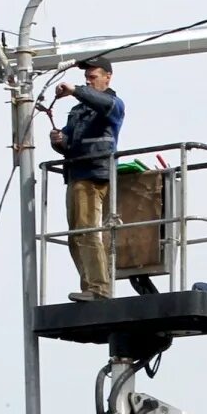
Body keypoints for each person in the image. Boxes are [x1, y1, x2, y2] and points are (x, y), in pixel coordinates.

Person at [48, 58, 125, 302]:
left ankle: (98, 289)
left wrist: (75, 91)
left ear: (108, 78)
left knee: (90, 232)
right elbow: (71, 144)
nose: (88, 82)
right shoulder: (78, 111)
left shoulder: (113, 104)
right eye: (86, 79)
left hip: (96, 174)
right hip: (78, 174)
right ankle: (91, 288)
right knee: (78, 235)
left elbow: (102, 104)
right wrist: (59, 141)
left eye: (93, 78)